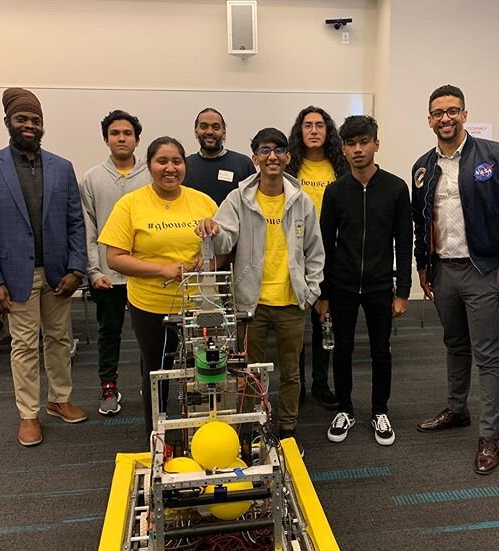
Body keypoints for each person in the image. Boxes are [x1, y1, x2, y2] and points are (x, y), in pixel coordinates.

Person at [412, 85, 499, 474]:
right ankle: (456, 409)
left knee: (488, 354)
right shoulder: (422, 167)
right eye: (438, 112)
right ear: (429, 119)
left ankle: (490, 435)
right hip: (443, 270)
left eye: (452, 111)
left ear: (465, 114)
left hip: (483, 269)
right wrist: (422, 266)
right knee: (455, 344)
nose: (445, 118)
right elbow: (421, 223)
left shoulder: (498, 156)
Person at [196, 128, 324, 446]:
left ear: (287, 157)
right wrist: (211, 228)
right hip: (250, 304)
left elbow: (315, 251)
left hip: (292, 302)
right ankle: (256, 428)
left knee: (291, 372)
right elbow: (226, 238)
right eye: (264, 150)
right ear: (255, 158)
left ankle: (287, 431)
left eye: (278, 150)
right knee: (249, 372)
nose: (272, 156)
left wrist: (310, 292)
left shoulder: (301, 201)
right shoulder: (238, 198)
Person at [0, 87, 88, 446]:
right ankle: (28, 414)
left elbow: (76, 222)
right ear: (8, 122)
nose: (29, 125)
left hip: (59, 274)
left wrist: (77, 268)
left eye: (35, 120)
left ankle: (59, 399)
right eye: (21, 119)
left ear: (43, 125)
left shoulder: (62, 167)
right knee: (24, 345)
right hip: (15, 276)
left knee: (59, 339)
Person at [98, 136, 218, 438]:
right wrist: (162, 269)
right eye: (161, 161)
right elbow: (114, 258)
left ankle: (201, 433)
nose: (170, 168)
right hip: (151, 305)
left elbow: (221, 249)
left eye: (176, 161)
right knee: (157, 370)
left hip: (198, 303)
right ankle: (158, 433)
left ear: (184, 166)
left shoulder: (203, 202)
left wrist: (206, 261)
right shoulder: (130, 204)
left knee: (202, 369)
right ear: (149, 165)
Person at [320, 115, 412, 447]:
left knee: (380, 351)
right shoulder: (335, 192)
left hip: (378, 286)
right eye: (350, 144)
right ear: (343, 149)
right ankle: (345, 408)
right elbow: (325, 245)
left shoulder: (396, 188)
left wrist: (403, 291)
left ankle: (379, 410)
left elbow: (404, 242)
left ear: (376, 143)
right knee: (341, 350)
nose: (357, 150)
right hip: (342, 286)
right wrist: (323, 293)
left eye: (363, 142)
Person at [80, 110, 152, 416]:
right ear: (106, 139)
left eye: (127, 133)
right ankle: (108, 385)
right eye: (114, 133)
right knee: (109, 332)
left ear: (137, 139)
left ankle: (148, 383)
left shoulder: (151, 175)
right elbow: (89, 228)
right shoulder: (92, 178)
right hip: (107, 274)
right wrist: (94, 271)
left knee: (148, 333)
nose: (121, 138)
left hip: (143, 273)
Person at [286, 105, 348, 410]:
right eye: (307, 125)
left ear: (328, 132)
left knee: (325, 322)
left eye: (319, 125)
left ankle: (321, 383)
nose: (313, 130)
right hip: (296, 255)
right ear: (300, 131)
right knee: (296, 323)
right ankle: (295, 384)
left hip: (333, 256)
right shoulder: (289, 169)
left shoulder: (341, 168)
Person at [182, 108, 256, 205]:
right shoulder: (184, 166)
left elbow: (253, 203)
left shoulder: (243, 164)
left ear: (224, 133)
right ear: (196, 132)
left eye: (216, 127)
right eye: (204, 127)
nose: (209, 132)